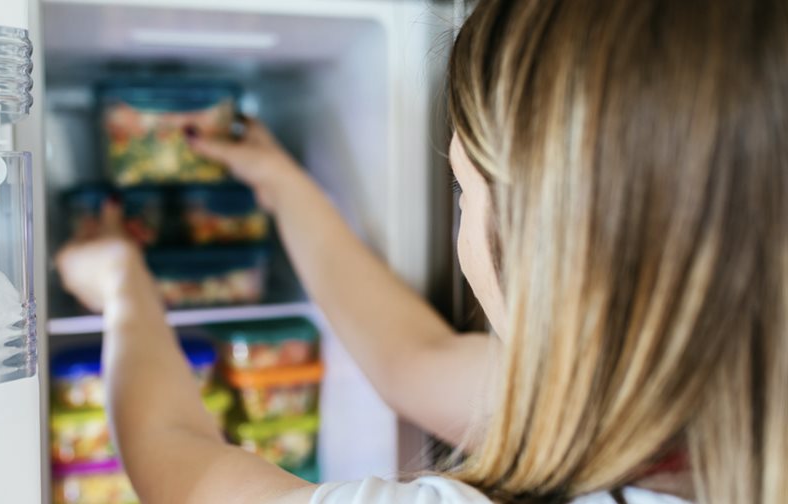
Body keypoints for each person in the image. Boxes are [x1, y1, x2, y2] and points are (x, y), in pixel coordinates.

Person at [55, 0, 787, 502]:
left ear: (543, 251)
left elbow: (178, 466)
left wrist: (123, 286)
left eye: (464, 192)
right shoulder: (699, 417)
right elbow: (414, 359)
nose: (460, 208)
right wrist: (281, 183)